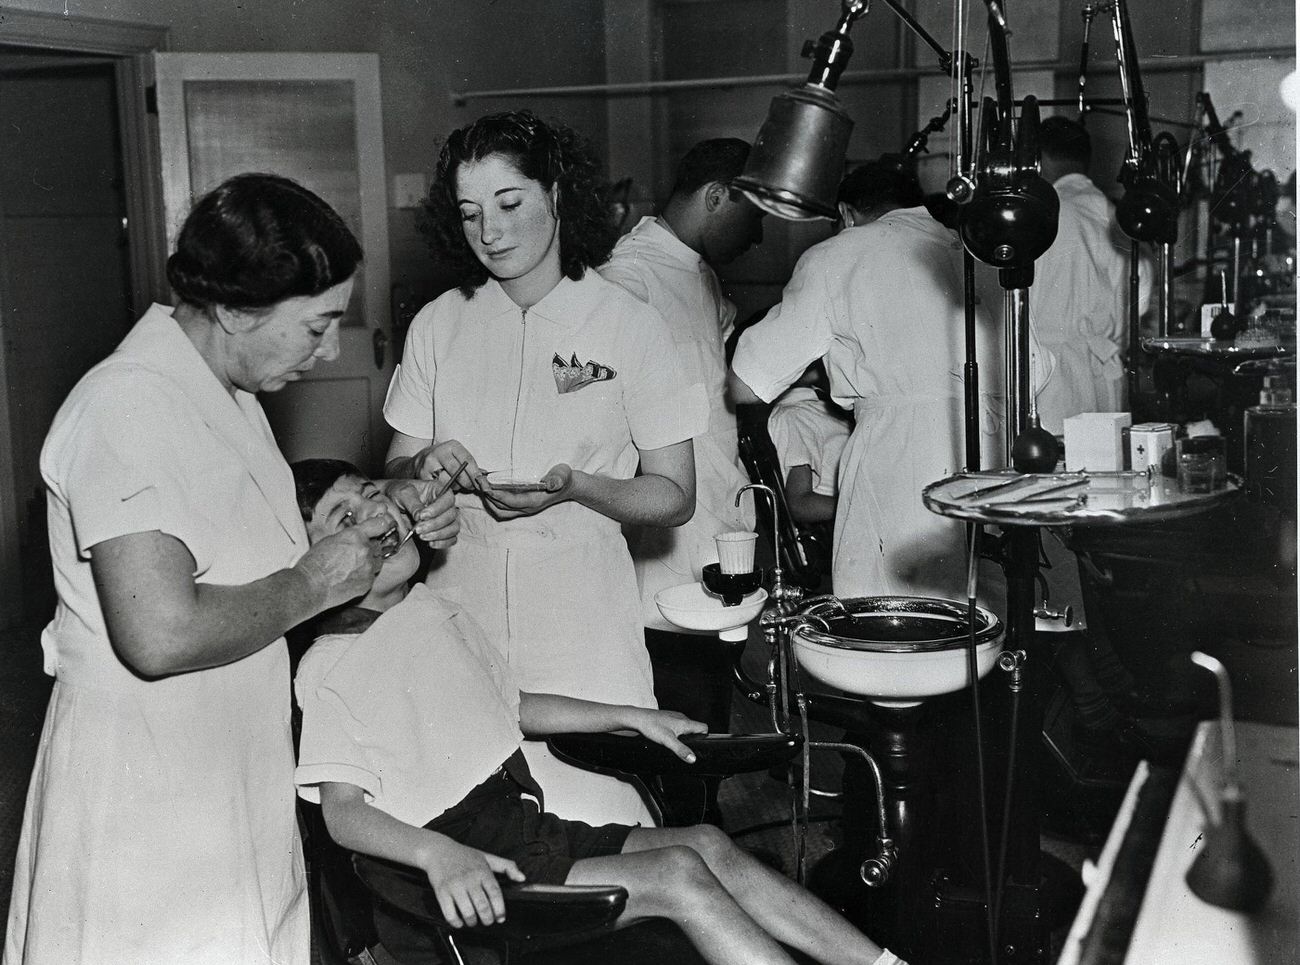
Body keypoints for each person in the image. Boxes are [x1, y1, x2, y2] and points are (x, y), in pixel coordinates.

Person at [3, 173, 459, 965]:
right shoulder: (130, 405)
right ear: (237, 310)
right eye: (316, 325)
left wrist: (387, 515)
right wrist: (320, 577)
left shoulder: (229, 396)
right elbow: (159, 631)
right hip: (149, 785)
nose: (327, 351)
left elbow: (257, 576)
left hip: (227, 764)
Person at [290, 458, 908, 965]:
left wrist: (630, 715)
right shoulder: (330, 664)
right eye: (345, 517)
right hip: (460, 873)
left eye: (373, 494)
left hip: (522, 834)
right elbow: (342, 815)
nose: (375, 514)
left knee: (706, 843)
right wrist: (438, 856)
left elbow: (513, 706)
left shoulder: (431, 610)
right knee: (676, 876)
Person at [384, 111, 709, 827]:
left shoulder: (629, 324)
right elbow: (395, 470)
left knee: (602, 823)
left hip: (581, 613)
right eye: (470, 214)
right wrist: (423, 465)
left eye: (509, 204)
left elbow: (675, 496)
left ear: (557, 193)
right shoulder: (440, 323)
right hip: (456, 603)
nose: (489, 232)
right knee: (472, 826)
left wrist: (577, 488)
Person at [729, 165, 1047, 605]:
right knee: (981, 619)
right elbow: (1037, 368)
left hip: (899, 457)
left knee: (889, 619)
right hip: (994, 455)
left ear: (846, 213)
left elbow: (746, 385)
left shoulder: (838, 254)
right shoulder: (980, 250)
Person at [598, 138, 765, 811]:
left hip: (714, 526)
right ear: (716, 195)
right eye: (751, 215)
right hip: (666, 538)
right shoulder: (627, 276)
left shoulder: (696, 272)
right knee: (675, 711)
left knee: (707, 704)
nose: (756, 236)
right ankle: (684, 835)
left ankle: (702, 822)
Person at [1030, 115, 1150, 435]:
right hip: (1107, 372)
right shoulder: (1117, 215)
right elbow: (1142, 293)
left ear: (1038, 160)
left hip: (1053, 379)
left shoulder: (1046, 215)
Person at [766, 360, 852, 527]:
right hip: (846, 522)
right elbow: (799, 504)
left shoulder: (826, 406)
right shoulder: (793, 416)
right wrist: (857, 508)